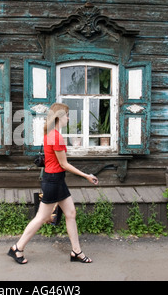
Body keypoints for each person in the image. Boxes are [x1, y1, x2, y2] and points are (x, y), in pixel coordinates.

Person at [8, 103, 99, 264]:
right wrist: (86, 176)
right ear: (59, 117)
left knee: (71, 214)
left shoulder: (50, 134)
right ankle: (18, 248)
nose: (69, 118)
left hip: (56, 180)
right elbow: (64, 164)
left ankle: (76, 252)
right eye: (67, 115)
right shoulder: (56, 136)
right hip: (53, 181)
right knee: (41, 218)